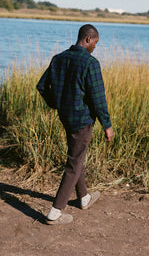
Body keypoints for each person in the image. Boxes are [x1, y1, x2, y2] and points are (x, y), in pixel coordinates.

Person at [36, 24, 113, 225]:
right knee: (74, 162)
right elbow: (98, 98)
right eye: (95, 43)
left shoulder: (58, 58)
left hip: (66, 117)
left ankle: (84, 198)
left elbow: (42, 86)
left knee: (76, 157)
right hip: (83, 120)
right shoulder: (90, 63)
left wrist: (56, 103)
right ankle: (55, 212)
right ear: (87, 39)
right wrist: (107, 124)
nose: (95, 47)